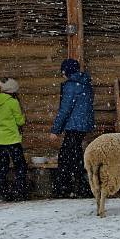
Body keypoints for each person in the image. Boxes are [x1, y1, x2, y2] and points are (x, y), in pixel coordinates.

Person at [50, 58, 95, 198]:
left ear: (66, 71)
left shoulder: (71, 85)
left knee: (65, 157)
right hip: (82, 125)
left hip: (74, 125)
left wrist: (55, 130)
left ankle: (65, 188)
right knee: (75, 156)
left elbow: (65, 110)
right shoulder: (85, 83)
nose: (62, 74)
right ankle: (81, 188)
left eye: (63, 71)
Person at [0, 77, 27, 201]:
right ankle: (20, 192)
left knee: (3, 166)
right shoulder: (13, 102)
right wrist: (23, 117)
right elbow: (20, 121)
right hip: (12, 139)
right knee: (20, 165)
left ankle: (2, 192)